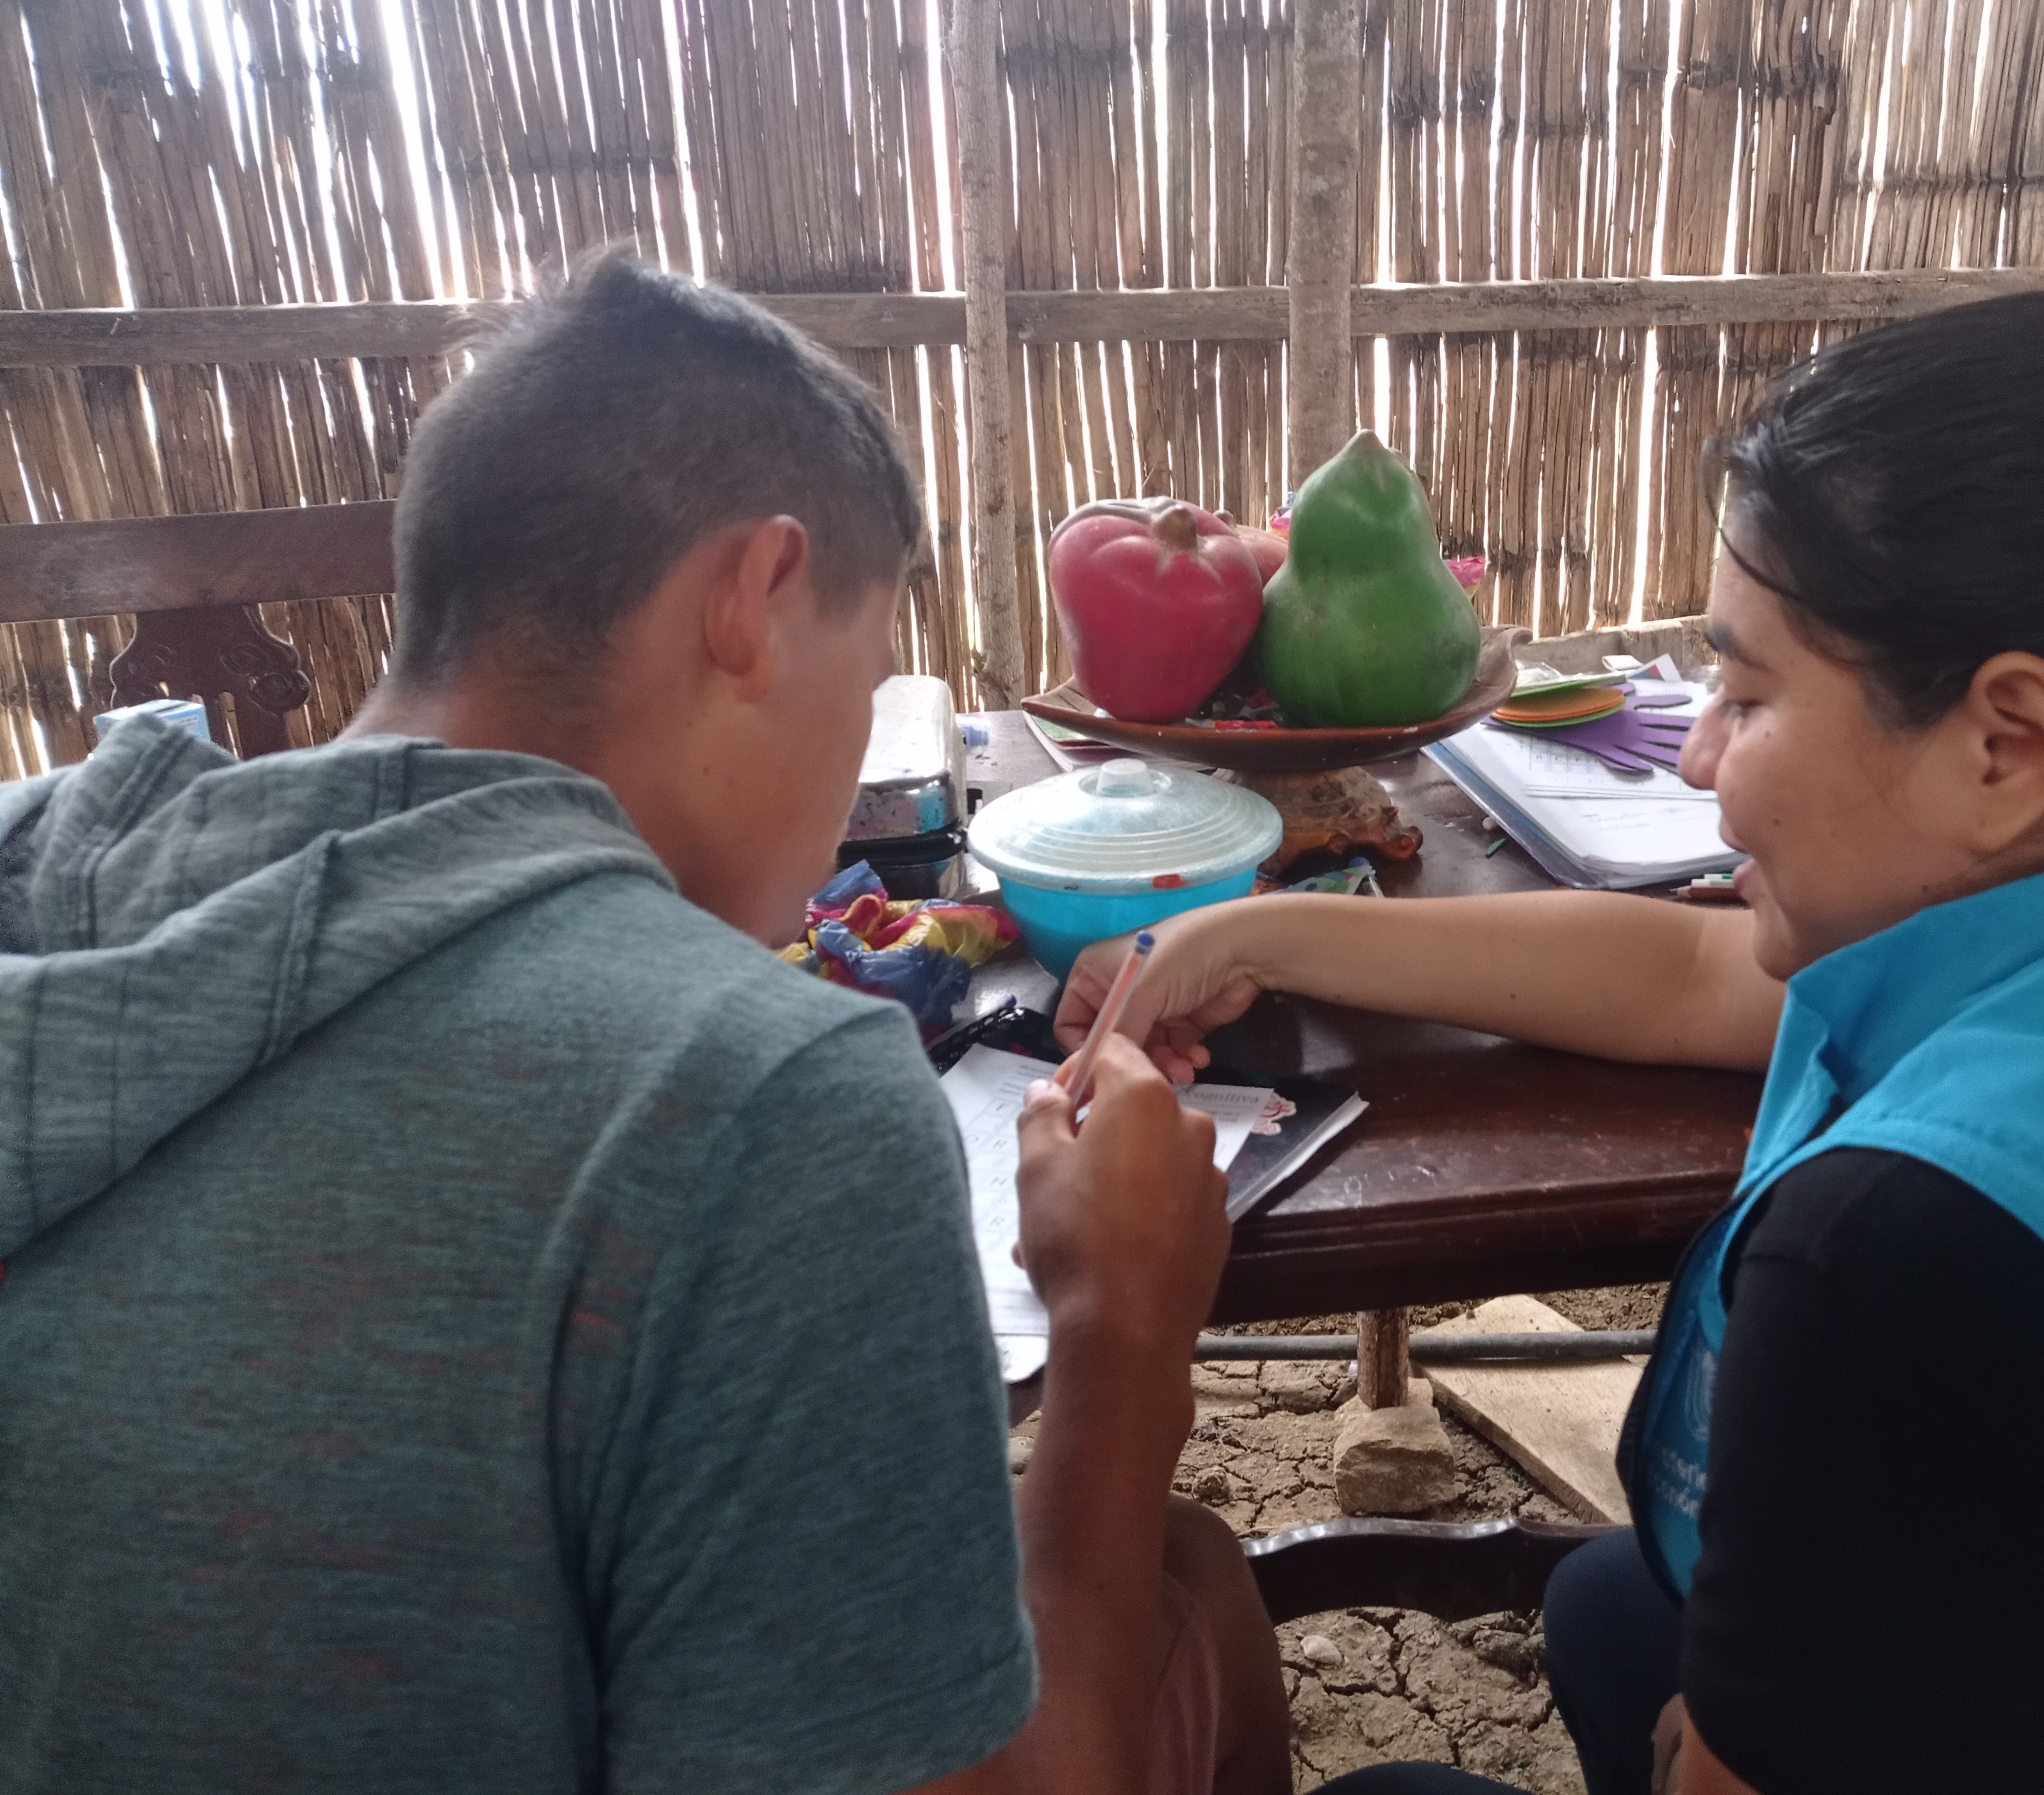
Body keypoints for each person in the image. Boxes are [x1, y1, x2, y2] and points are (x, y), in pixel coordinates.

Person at [1058, 293, 2044, 1794]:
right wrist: (1254, 935)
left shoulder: (1906, 1255)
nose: (1695, 750)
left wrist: (1709, 1752)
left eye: (1745, 690)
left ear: (2008, 742)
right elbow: (1697, 970)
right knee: (1611, 1608)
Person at [0, 253, 1290, 1795]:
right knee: (1186, 1578)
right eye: (866, 676)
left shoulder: (39, 870)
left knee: (1185, 1579)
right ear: (750, 602)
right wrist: (1121, 1333)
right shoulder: (769, 1103)